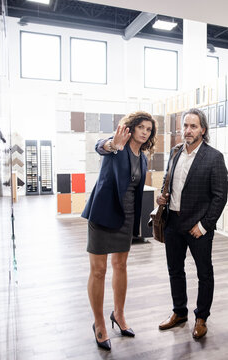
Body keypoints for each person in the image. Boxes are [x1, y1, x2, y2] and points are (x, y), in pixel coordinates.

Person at [81, 111, 156, 350]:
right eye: (141, 127)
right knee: (99, 270)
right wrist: (114, 143)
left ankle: (119, 315)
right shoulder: (117, 146)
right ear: (131, 128)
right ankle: (99, 322)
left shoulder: (143, 157)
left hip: (126, 217)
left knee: (121, 266)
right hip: (103, 214)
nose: (145, 132)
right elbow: (99, 146)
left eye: (149, 129)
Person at [156, 108, 228, 339]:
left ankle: (201, 317)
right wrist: (162, 196)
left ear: (202, 130)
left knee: (204, 273)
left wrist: (205, 225)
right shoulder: (175, 152)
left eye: (193, 126)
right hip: (173, 222)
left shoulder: (214, 157)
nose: (187, 130)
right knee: (175, 270)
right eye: (185, 126)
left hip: (198, 227)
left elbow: (220, 196)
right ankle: (179, 312)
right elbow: (169, 183)